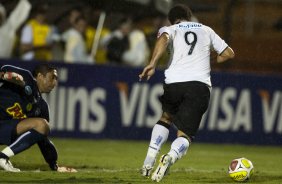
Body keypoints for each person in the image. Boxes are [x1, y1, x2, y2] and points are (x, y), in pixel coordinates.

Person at [139, 4, 235, 182]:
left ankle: (149, 159)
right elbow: (229, 54)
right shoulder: (206, 30)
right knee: (185, 135)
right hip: (199, 86)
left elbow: (163, 39)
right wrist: (209, 57)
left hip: (174, 83)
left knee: (166, 118)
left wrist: (152, 63)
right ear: (189, 17)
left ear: (171, 20)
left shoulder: (170, 29)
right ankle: (170, 157)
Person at [0, 64, 76, 172]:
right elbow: (4, 70)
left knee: (42, 125)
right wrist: (8, 76)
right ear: (40, 76)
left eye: (56, 79)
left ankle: (2, 156)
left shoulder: (42, 107)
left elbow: (43, 140)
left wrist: (54, 165)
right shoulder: (26, 77)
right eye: (52, 77)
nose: (55, 82)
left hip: (4, 129)